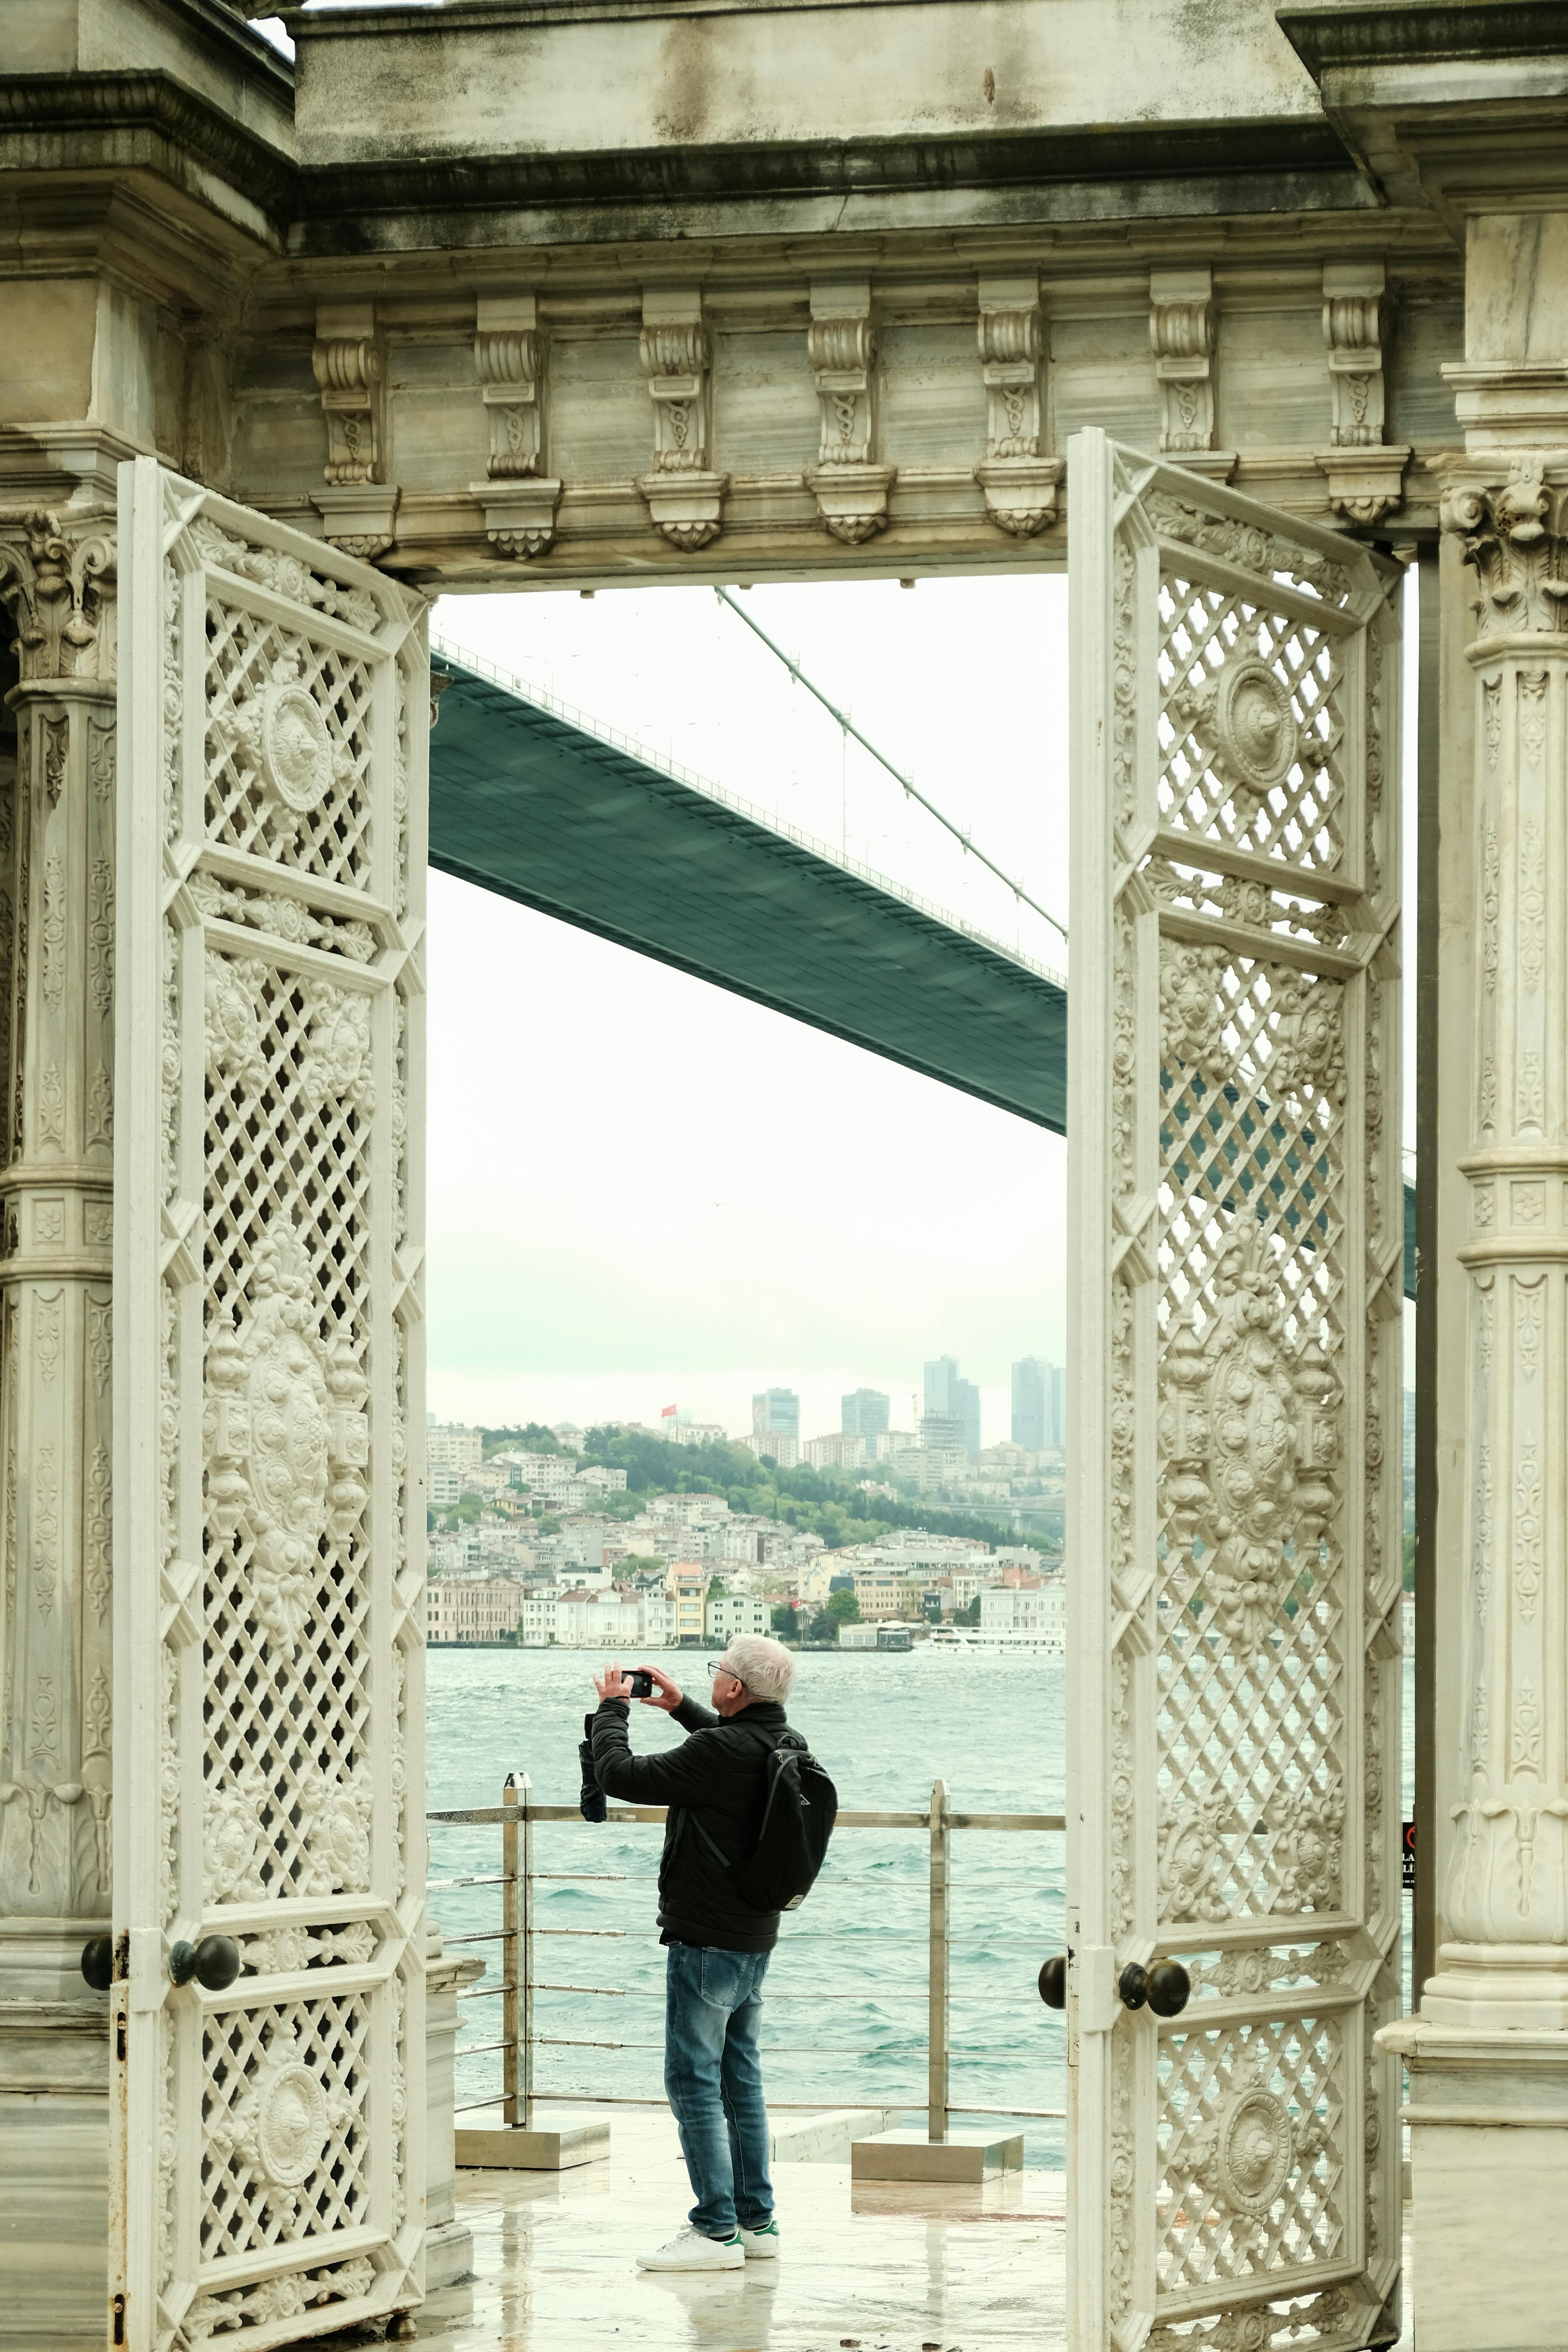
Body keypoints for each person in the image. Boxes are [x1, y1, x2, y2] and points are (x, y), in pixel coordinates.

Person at [589, 1634, 799, 2273]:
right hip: (754, 1935)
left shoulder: (720, 1750)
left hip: (706, 1938)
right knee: (741, 2078)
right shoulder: (783, 1742)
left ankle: (713, 2230)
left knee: (694, 2080)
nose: (715, 1678)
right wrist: (681, 1705)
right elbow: (729, 1748)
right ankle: (754, 2220)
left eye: (719, 1671)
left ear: (735, 1688)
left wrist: (612, 1710)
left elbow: (620, 1775)